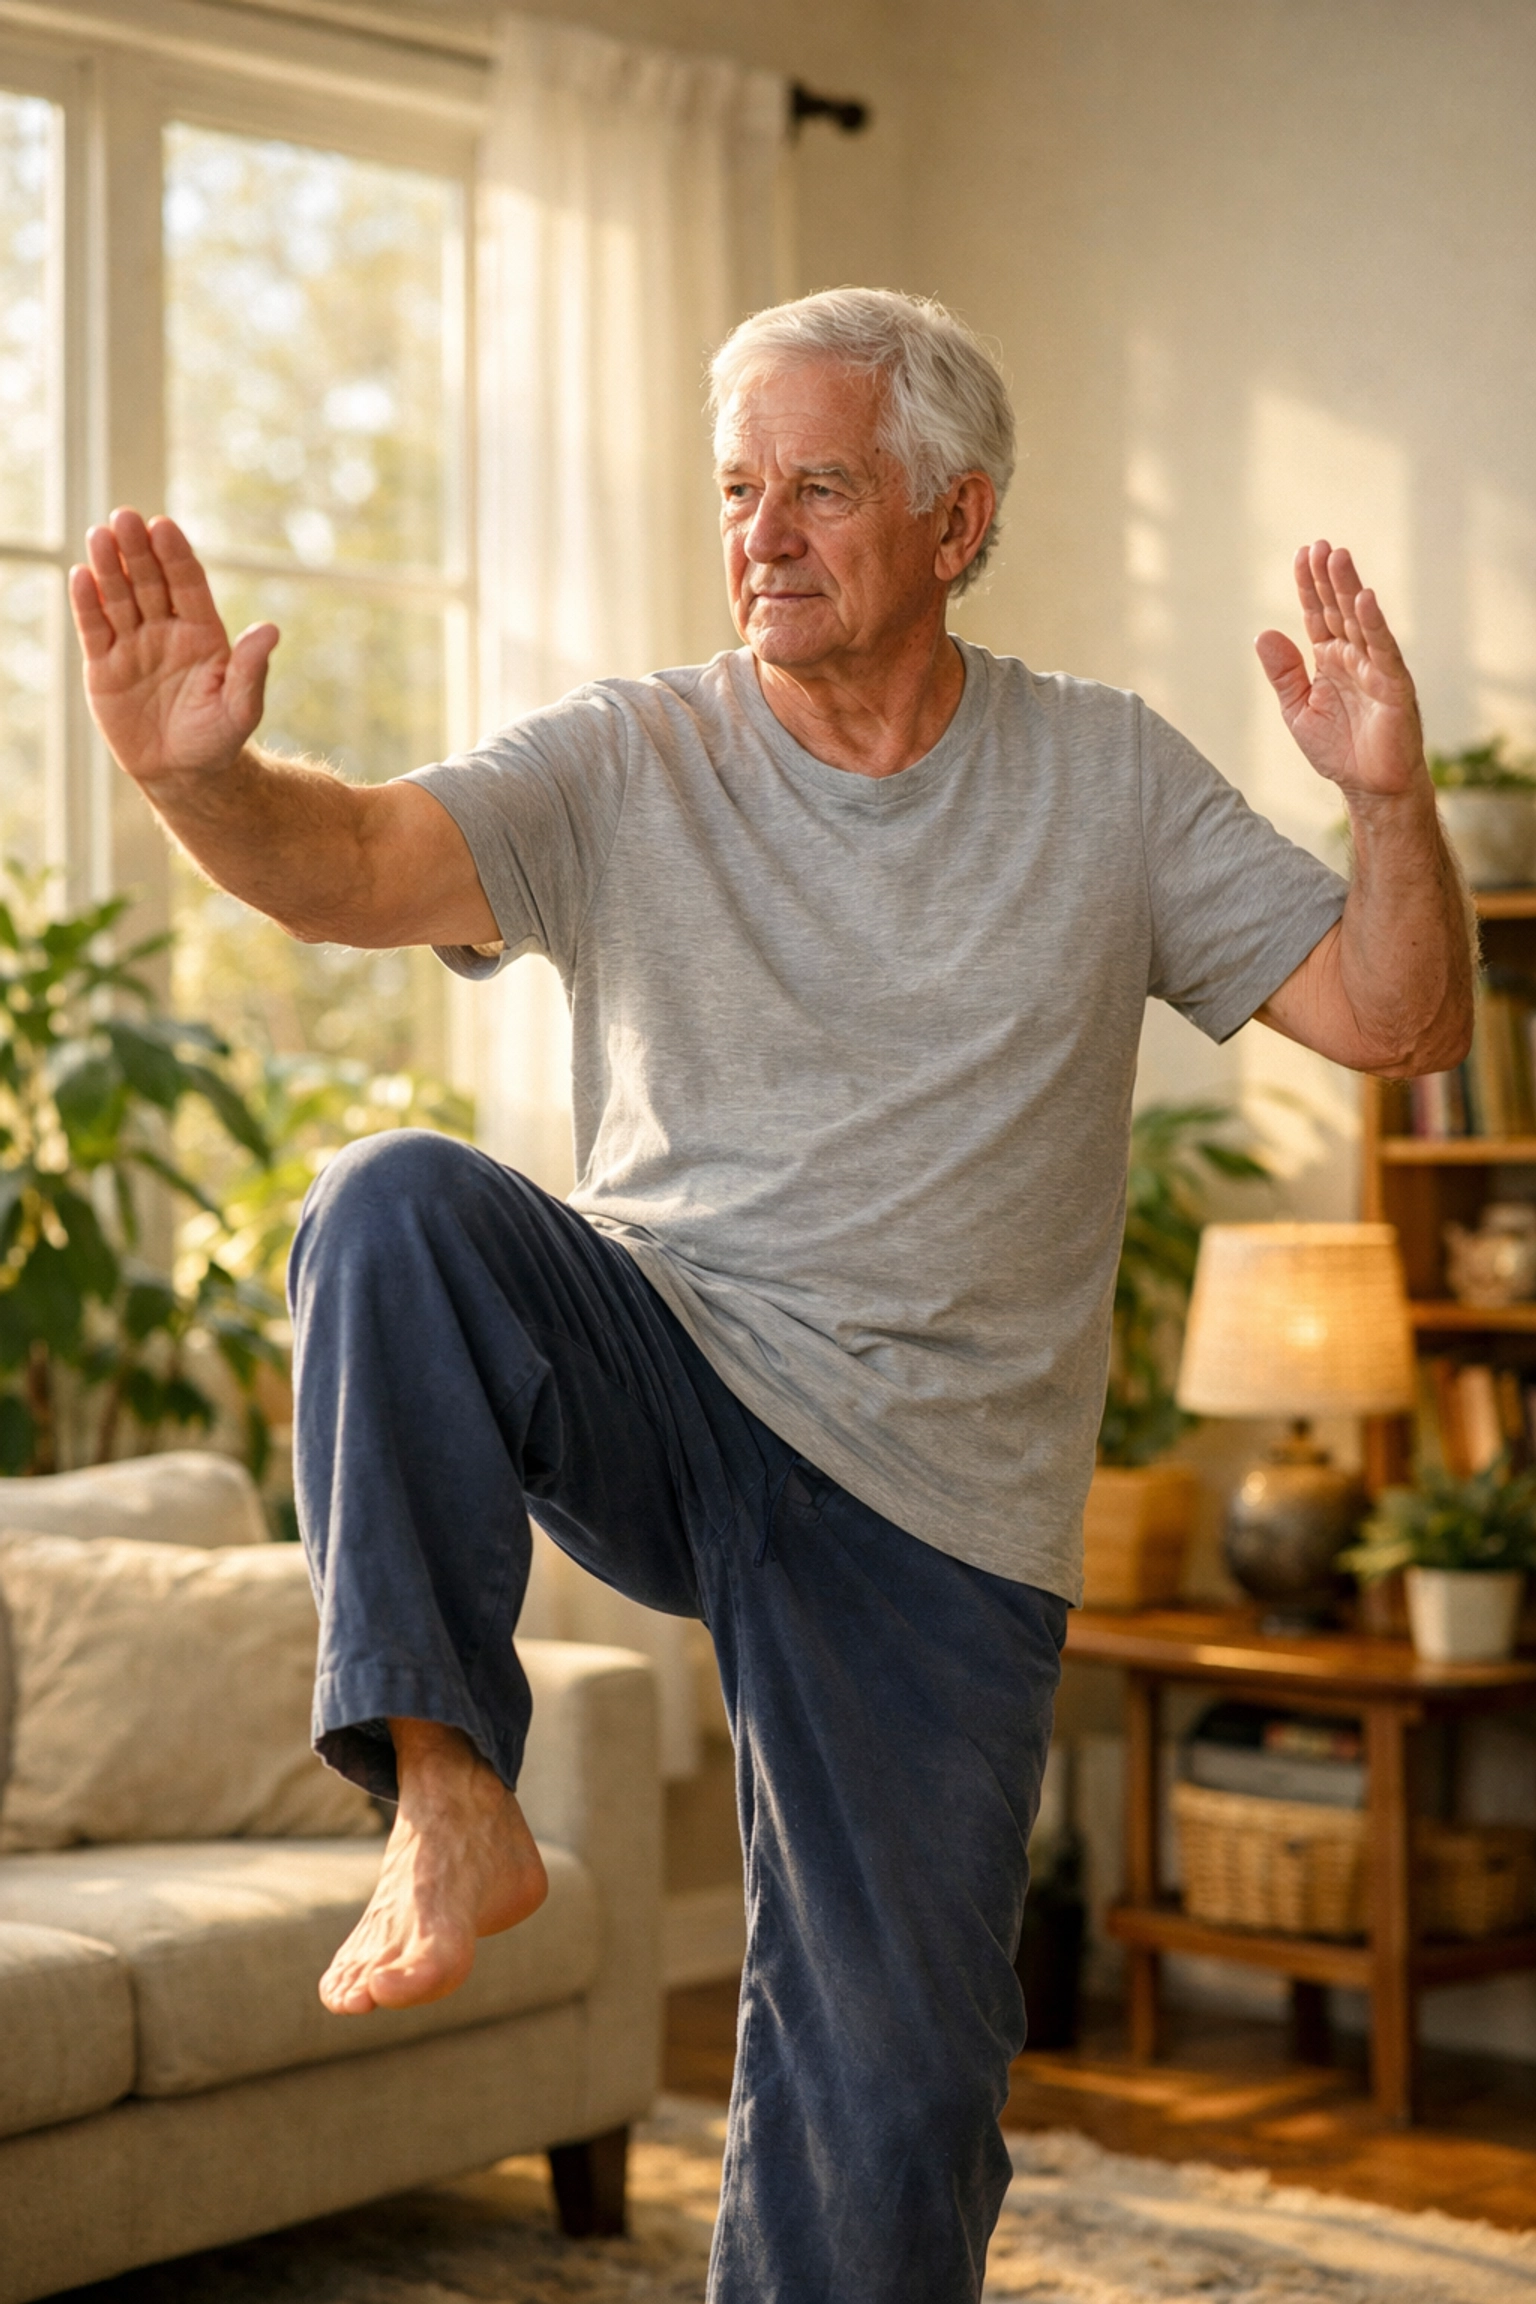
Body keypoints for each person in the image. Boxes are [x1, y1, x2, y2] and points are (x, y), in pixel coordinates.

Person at [69, 289, 1471, 2304]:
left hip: (937, 1508)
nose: (765, 533)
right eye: (741, 490)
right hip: (677, 1374)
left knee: (898, 2098)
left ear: (956, 518)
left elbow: (1403, 1017)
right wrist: (204, 782)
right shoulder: (633, 753)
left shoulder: (1109, 779)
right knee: (392, 1208)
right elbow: (356, 863)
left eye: (822, 486)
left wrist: (1392, 806)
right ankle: (449, 1794)